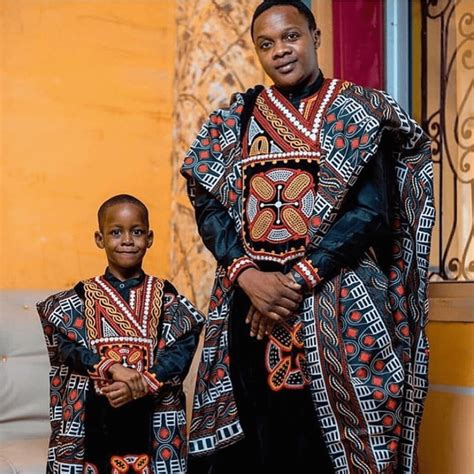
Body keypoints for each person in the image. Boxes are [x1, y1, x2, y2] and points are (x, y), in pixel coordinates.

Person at [181, 1, 434, 473]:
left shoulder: (357, 111)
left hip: (341, 302)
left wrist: (296, 279)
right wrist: (246, 274)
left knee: (331, 446)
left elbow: (370, 212)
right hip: (251, 306)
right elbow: (208, 199)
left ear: (315, 36)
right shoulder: (236, 118)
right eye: (266, 43)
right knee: (258, 443)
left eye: (290, 37)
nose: (280, 51)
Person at [37, 194, 204, 474]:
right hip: (94, 419)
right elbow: (69, 349)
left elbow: (181, 352)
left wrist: (141, 384)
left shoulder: (167, 298)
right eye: (116, 232)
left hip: (154, 422)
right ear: (99, 239)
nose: (127, 240)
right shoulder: (78, 298)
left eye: (136, 232)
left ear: (149, 239)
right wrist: (112, 368)